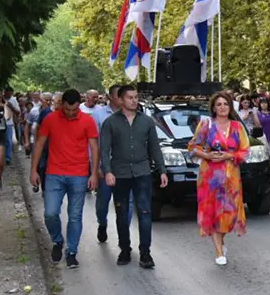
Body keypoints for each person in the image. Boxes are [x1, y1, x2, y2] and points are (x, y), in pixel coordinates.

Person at [30, 89, 100, 269]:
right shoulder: (51, 119)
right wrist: (34, 170)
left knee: (75, 216)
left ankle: (71, 252)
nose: (70, 114)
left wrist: (93, 173)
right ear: (62, 105)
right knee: (50, 213)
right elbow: (39, 144)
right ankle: (57, 240)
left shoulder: (87, 120)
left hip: (79, 174)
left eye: (74, 110)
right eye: (67, 110)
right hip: (54, 173)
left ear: (79, 105)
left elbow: (94, 147)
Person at [100, 85, 168, 269]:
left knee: (145, 212)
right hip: (120, 173)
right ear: (121, 100)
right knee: (122, 213)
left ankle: (145, 252)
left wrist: (161, 170)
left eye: (136, 97)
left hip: (142, 172)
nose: (134, 100)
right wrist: (107, 171)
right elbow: (104, 150)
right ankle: (125, 249)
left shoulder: (146, 121)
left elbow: (154, 147)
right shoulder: (110, 123)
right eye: (130, 97)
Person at [187, 92, 251, 266]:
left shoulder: (237, 126)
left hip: (231, 177)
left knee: (230, 215)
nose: (222, 107)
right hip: (210, 177)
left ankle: (221, 241)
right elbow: (192, 147)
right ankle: (219, 251)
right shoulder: (206, 124)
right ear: (213, 108)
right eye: (219, 104)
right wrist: (207, 154)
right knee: (213, 214)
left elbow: (245, 151)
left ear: (230, 107)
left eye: (225, 104)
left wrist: (227, 155)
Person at [94, 85, 133, 243]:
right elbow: (94, 144)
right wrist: (96, 167)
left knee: (127, 202)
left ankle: (124, 234)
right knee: (103, 202)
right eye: (119, 96)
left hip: (126, 168)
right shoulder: (98, 115)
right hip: (106, 167)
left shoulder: (132, 115)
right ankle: (102, 223)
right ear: (111, 97)